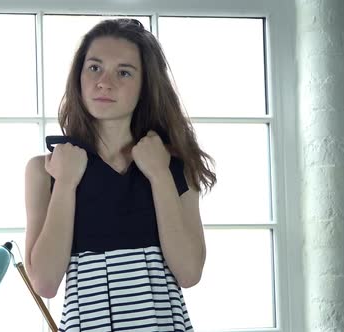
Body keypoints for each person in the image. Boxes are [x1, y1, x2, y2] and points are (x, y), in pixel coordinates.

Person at [24, 18, 216, 332]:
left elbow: (189, 272)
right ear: (79, 76)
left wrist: (159, 174)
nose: (104, 82)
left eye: (123, 72)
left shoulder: (175, 164)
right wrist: (67, 183)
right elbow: (45, 283)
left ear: (145, 85)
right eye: (94, 68)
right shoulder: (46, 170)